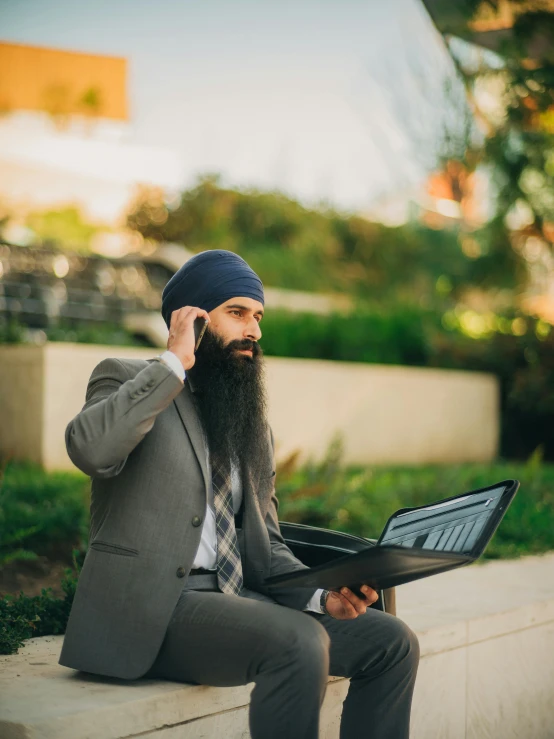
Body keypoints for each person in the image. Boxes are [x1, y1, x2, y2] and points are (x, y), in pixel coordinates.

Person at [59, 249, 419, 739]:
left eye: (258, 316)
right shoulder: (127, 378)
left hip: (239, 601)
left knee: (391, 640)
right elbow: (90, 450)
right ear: (192, 318)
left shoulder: (251, 424)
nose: (255, 330)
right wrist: (172, 364)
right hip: (155, 608)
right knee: (299, 642)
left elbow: (266, 547)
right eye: (237, 313)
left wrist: (321, 597)